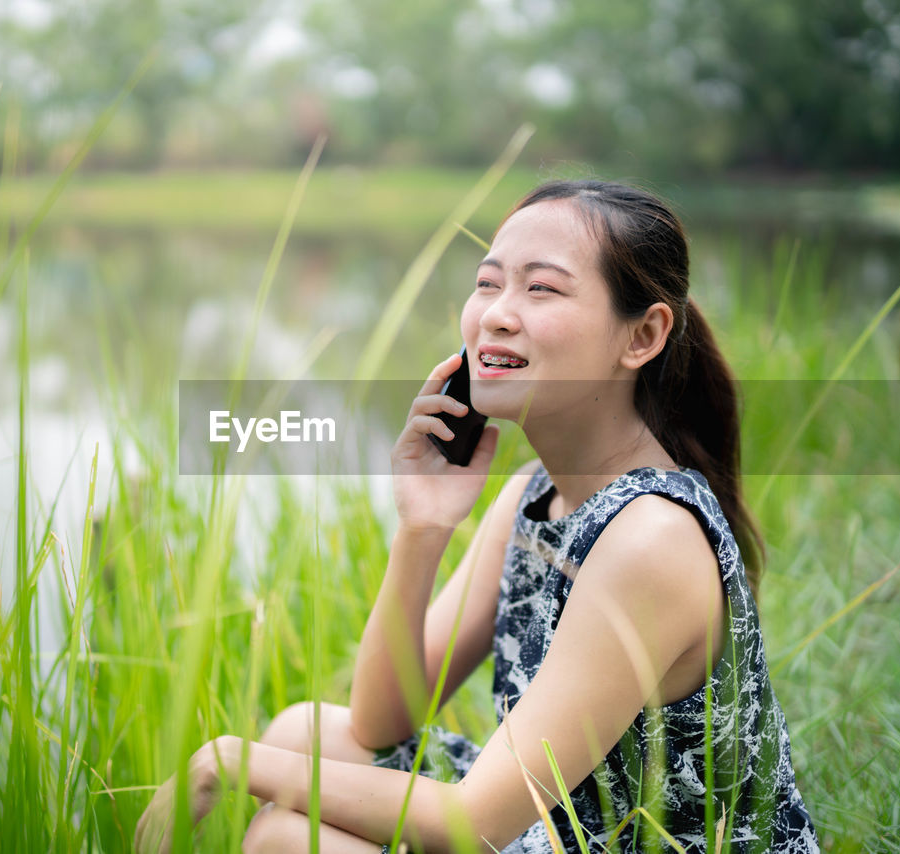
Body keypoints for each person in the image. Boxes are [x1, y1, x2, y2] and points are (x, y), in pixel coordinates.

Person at [135, 180, 819, 853]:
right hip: (568, 831)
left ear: (642, 335)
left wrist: (225, 759)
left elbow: (475, 824)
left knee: (288, 836)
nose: (496, 313)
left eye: (541, 288)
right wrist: (423, 525)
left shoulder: (651, 538)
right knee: (302, 734)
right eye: (489, 283)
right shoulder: (533, 495)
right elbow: (381, 721)